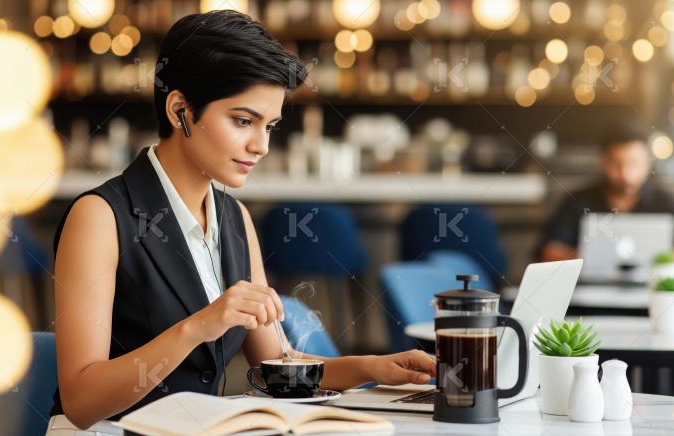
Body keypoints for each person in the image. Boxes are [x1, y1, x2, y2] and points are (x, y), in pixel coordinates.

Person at [49, 11, 435, 432]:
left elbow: (276, 367)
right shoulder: (101, 217)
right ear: (180, 110)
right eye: (243, 121)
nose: (262, 145)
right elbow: (81, 402)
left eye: (269, 125)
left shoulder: (234, 218)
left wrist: (373, 367)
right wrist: (200, 325)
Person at [536, 122, 674, 266]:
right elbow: (547, 252)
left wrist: (659, 260)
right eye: (617, 164)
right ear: (604, 162)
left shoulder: (668, 202)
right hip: (589, 293)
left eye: (634, 163)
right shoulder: (577, 201)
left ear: (648, 163)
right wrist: (583, 258)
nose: (625, 174)